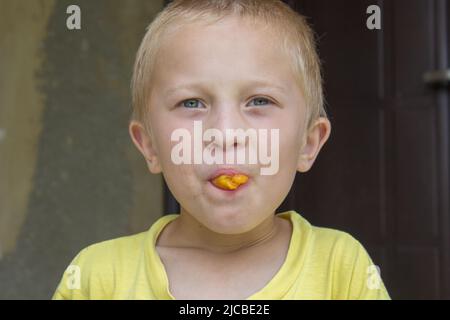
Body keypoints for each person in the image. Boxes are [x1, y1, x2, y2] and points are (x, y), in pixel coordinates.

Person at [52, 0, 391, 300]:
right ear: (150, 145)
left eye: (260, 101)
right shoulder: (96, 280)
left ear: (308, 142)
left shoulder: (341, 271)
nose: (225, 134)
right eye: (192, 103)